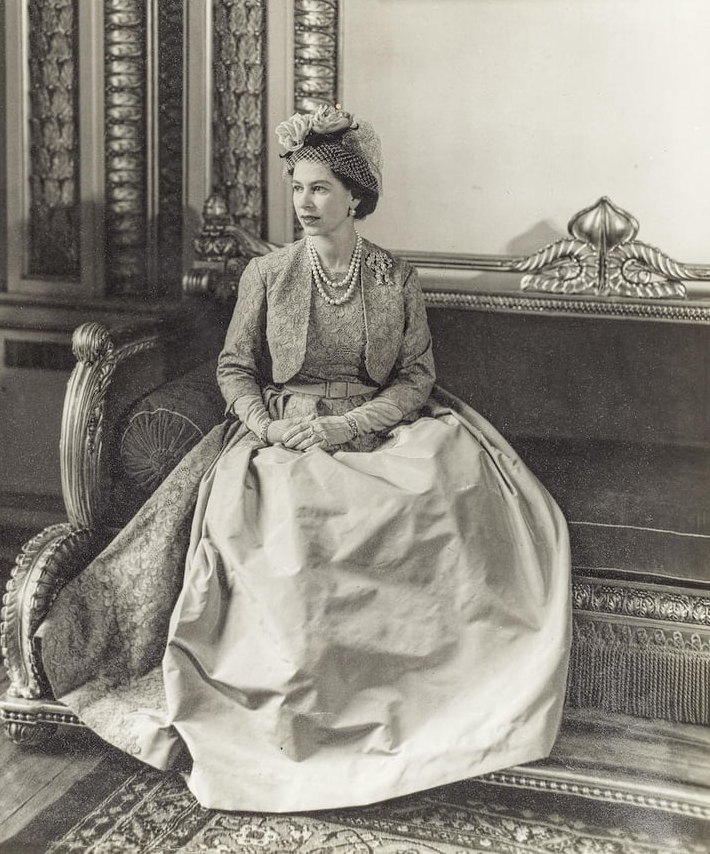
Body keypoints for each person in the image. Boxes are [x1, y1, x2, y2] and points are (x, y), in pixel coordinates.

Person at [38, 105, 572, 813]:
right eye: (297, 188)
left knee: (440, 488)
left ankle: (418, 708)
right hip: (283, 432)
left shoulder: (393, 276)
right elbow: (234, 367)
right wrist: (266, 423)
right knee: (286, 518)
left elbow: (415, 377)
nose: (305, 203)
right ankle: (299, 715)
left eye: (321, 188)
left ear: (355, 196)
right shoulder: (267, 274)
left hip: (378, 428)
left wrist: (350, 423)